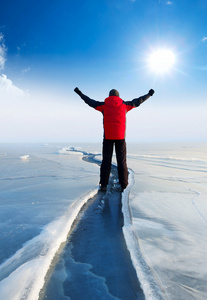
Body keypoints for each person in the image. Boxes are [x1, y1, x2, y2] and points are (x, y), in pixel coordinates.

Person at [74, 87, 155, 192]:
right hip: (120, 138)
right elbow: (139, 100)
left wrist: (80, 93)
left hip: (108, 137)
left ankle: (103, 185)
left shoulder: (103, 106)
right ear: (118, 96)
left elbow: (89, 101)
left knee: (106, 162)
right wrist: (149, 94)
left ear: (109, 96)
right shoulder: (125, 105)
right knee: (122, 161)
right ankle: (124, 185)